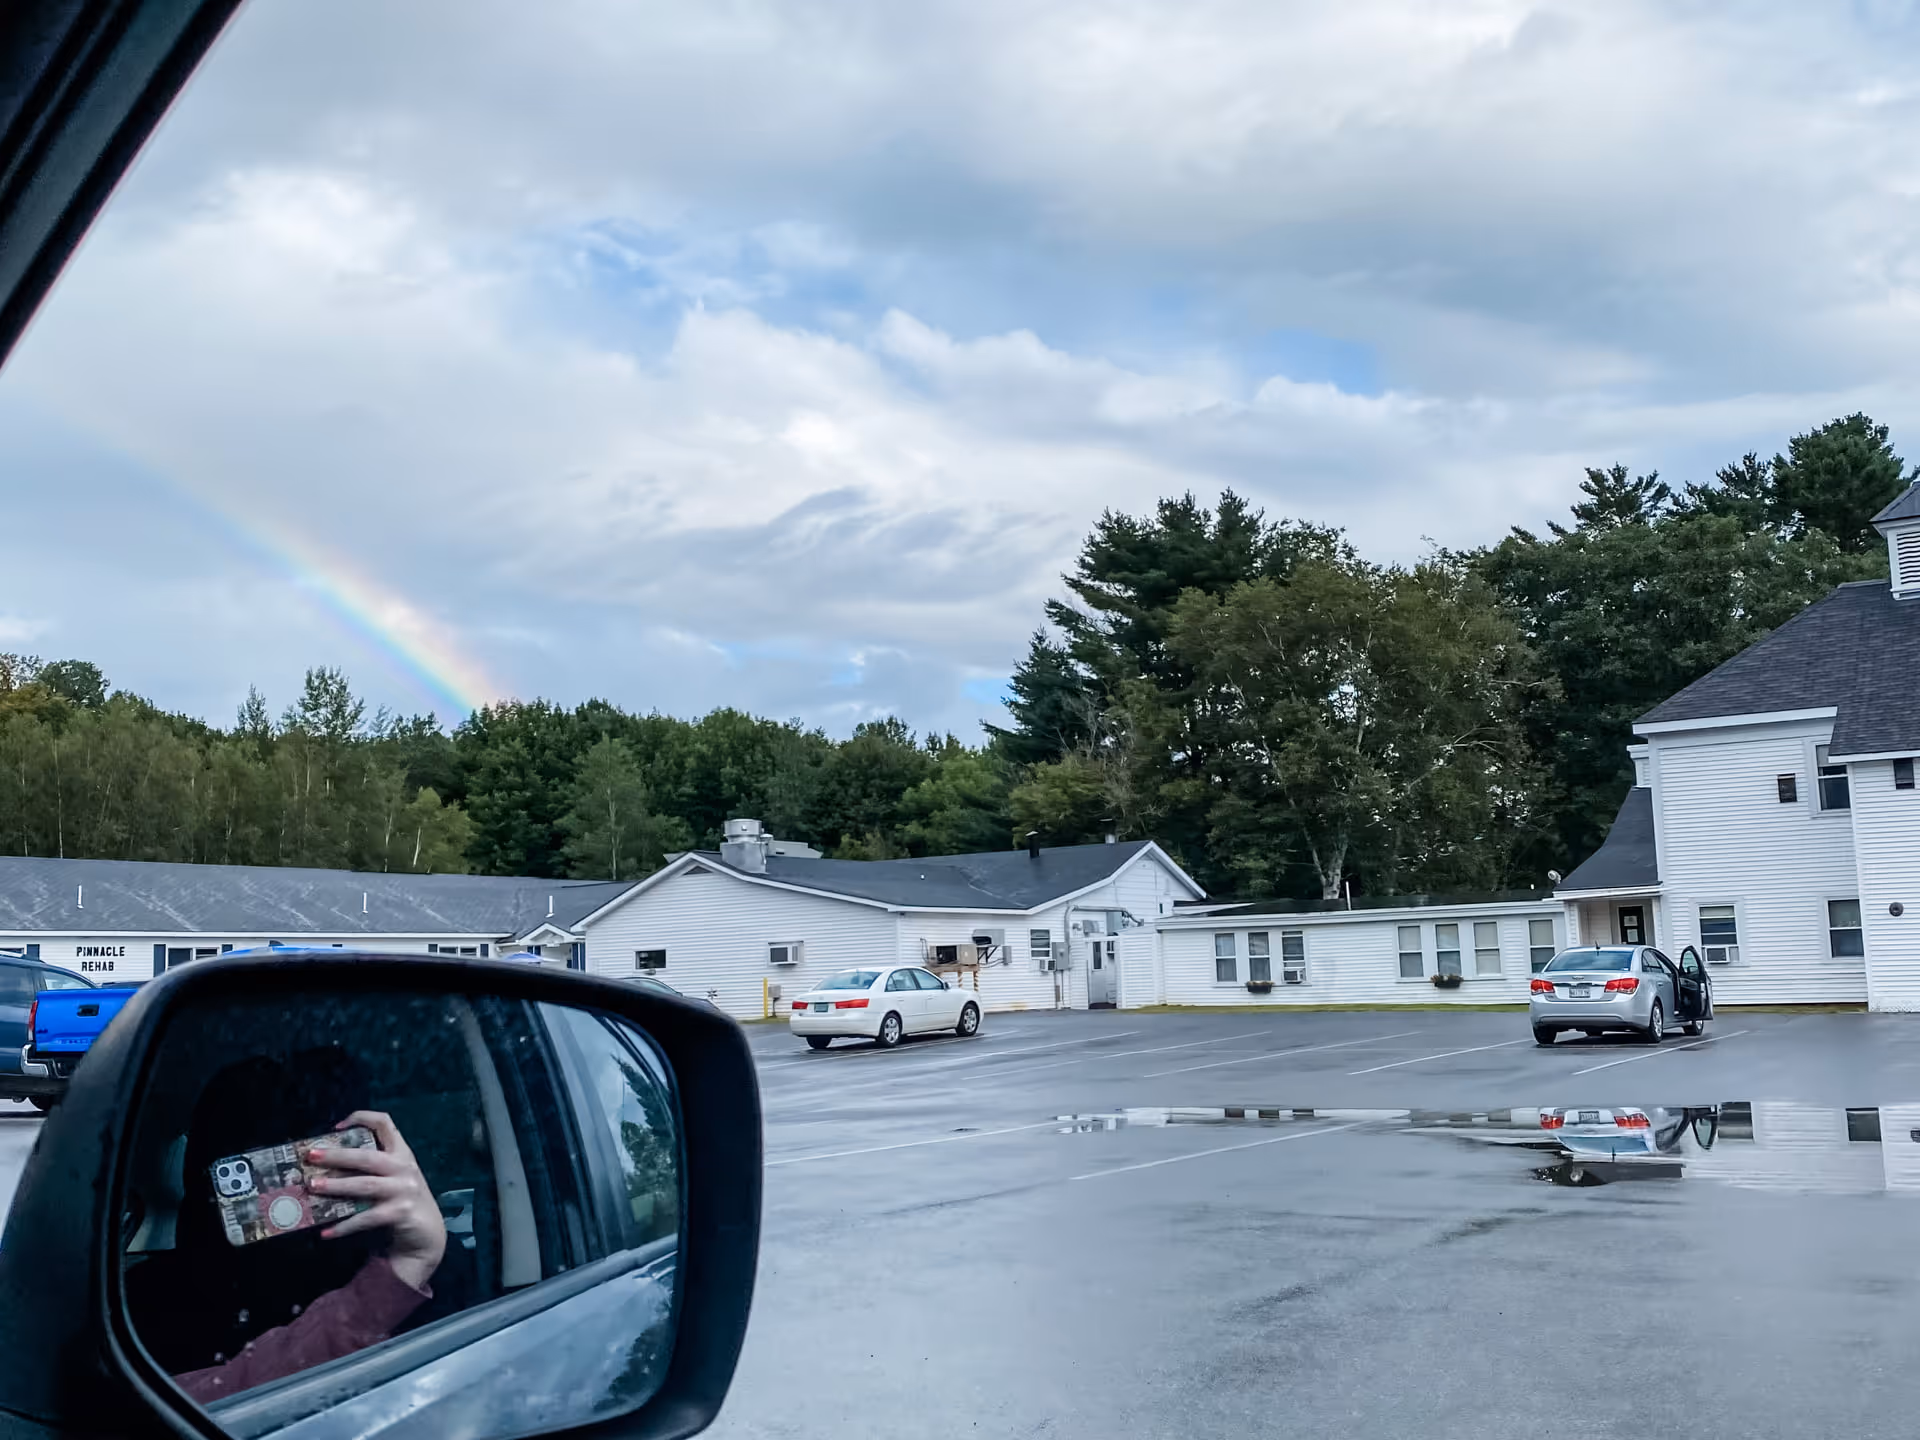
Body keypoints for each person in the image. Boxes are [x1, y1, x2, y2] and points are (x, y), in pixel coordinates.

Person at [124, 1051, 448, 1405]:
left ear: (365, 1159)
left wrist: (413, 1257)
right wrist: (402, 1273)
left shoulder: (434, 1277)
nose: (279, 1188)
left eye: (312, 1163)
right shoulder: (140, 1307)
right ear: (199, 1171)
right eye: (243, 1163)